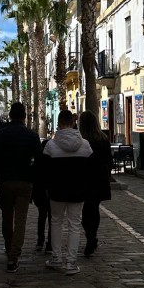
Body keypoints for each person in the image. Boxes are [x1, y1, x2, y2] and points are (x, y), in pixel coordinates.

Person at [0, 101, 42, 273]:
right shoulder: (31, 136)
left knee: (7, 217)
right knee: (20, 220)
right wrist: (35, 180)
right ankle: (14, 255)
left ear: (10, 115)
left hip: (5, 182)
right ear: (24, 116)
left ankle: (8, 246)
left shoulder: (1, 135)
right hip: (24, 182)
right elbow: (39, 162)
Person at [42, 108, 93, 275]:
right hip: (78, 191)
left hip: (56, 191)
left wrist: (46, 188)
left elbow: (44, 171)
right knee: (75, 225)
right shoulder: (85, 145)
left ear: (59, 123)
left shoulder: (50, 146)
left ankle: (56, 257)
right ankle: (71, 262)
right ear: (73, 122)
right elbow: (90, 170)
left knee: (56, 222)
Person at [78, 110, 112, 257]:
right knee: (94, 208)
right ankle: (92, 236)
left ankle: (90, 237)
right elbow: (109, 160)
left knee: (86, 210)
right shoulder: (103, 139)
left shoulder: (82, 141)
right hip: (99, 179)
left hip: (85, 179)